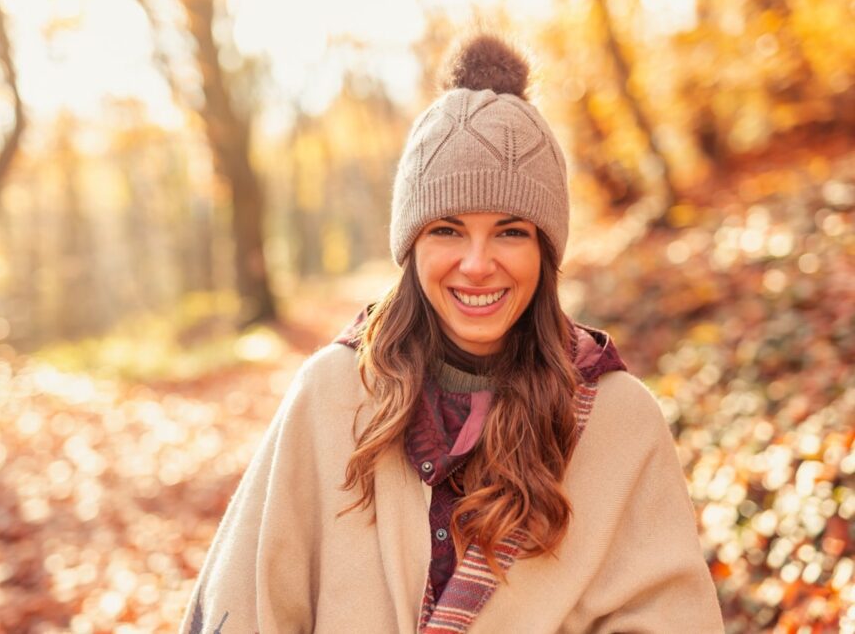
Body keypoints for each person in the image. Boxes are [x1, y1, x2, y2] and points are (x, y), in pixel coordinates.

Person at [180, 33, 723, 633]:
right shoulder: (332, 394)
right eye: (447, 230)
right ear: (411, 246)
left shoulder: (619, 420)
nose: (477, 262)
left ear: (545, 249)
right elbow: (248, 606)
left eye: (511, 231)